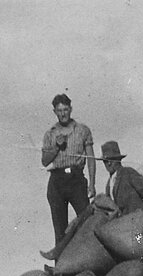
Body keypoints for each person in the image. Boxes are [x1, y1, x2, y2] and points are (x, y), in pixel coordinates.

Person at [41, 93, 97, 246]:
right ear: (54, 112)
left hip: (76, 180)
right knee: (60, 231)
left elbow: (91, 158)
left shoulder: (83, 130)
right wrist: (56, 147)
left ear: (70, 109)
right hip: (56, 182)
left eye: (65, 110)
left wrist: (92, 184)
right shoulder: (50, 134)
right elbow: (45, 161)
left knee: (87, 221)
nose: (63, 114)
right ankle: (60, 260)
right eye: (59, 111)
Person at [101, 140, 143, 216]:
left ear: (118, 159)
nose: (108, 164)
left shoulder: (128, 173)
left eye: (111, 160)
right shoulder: (109, 185)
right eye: (105, 161)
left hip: (136, 219)